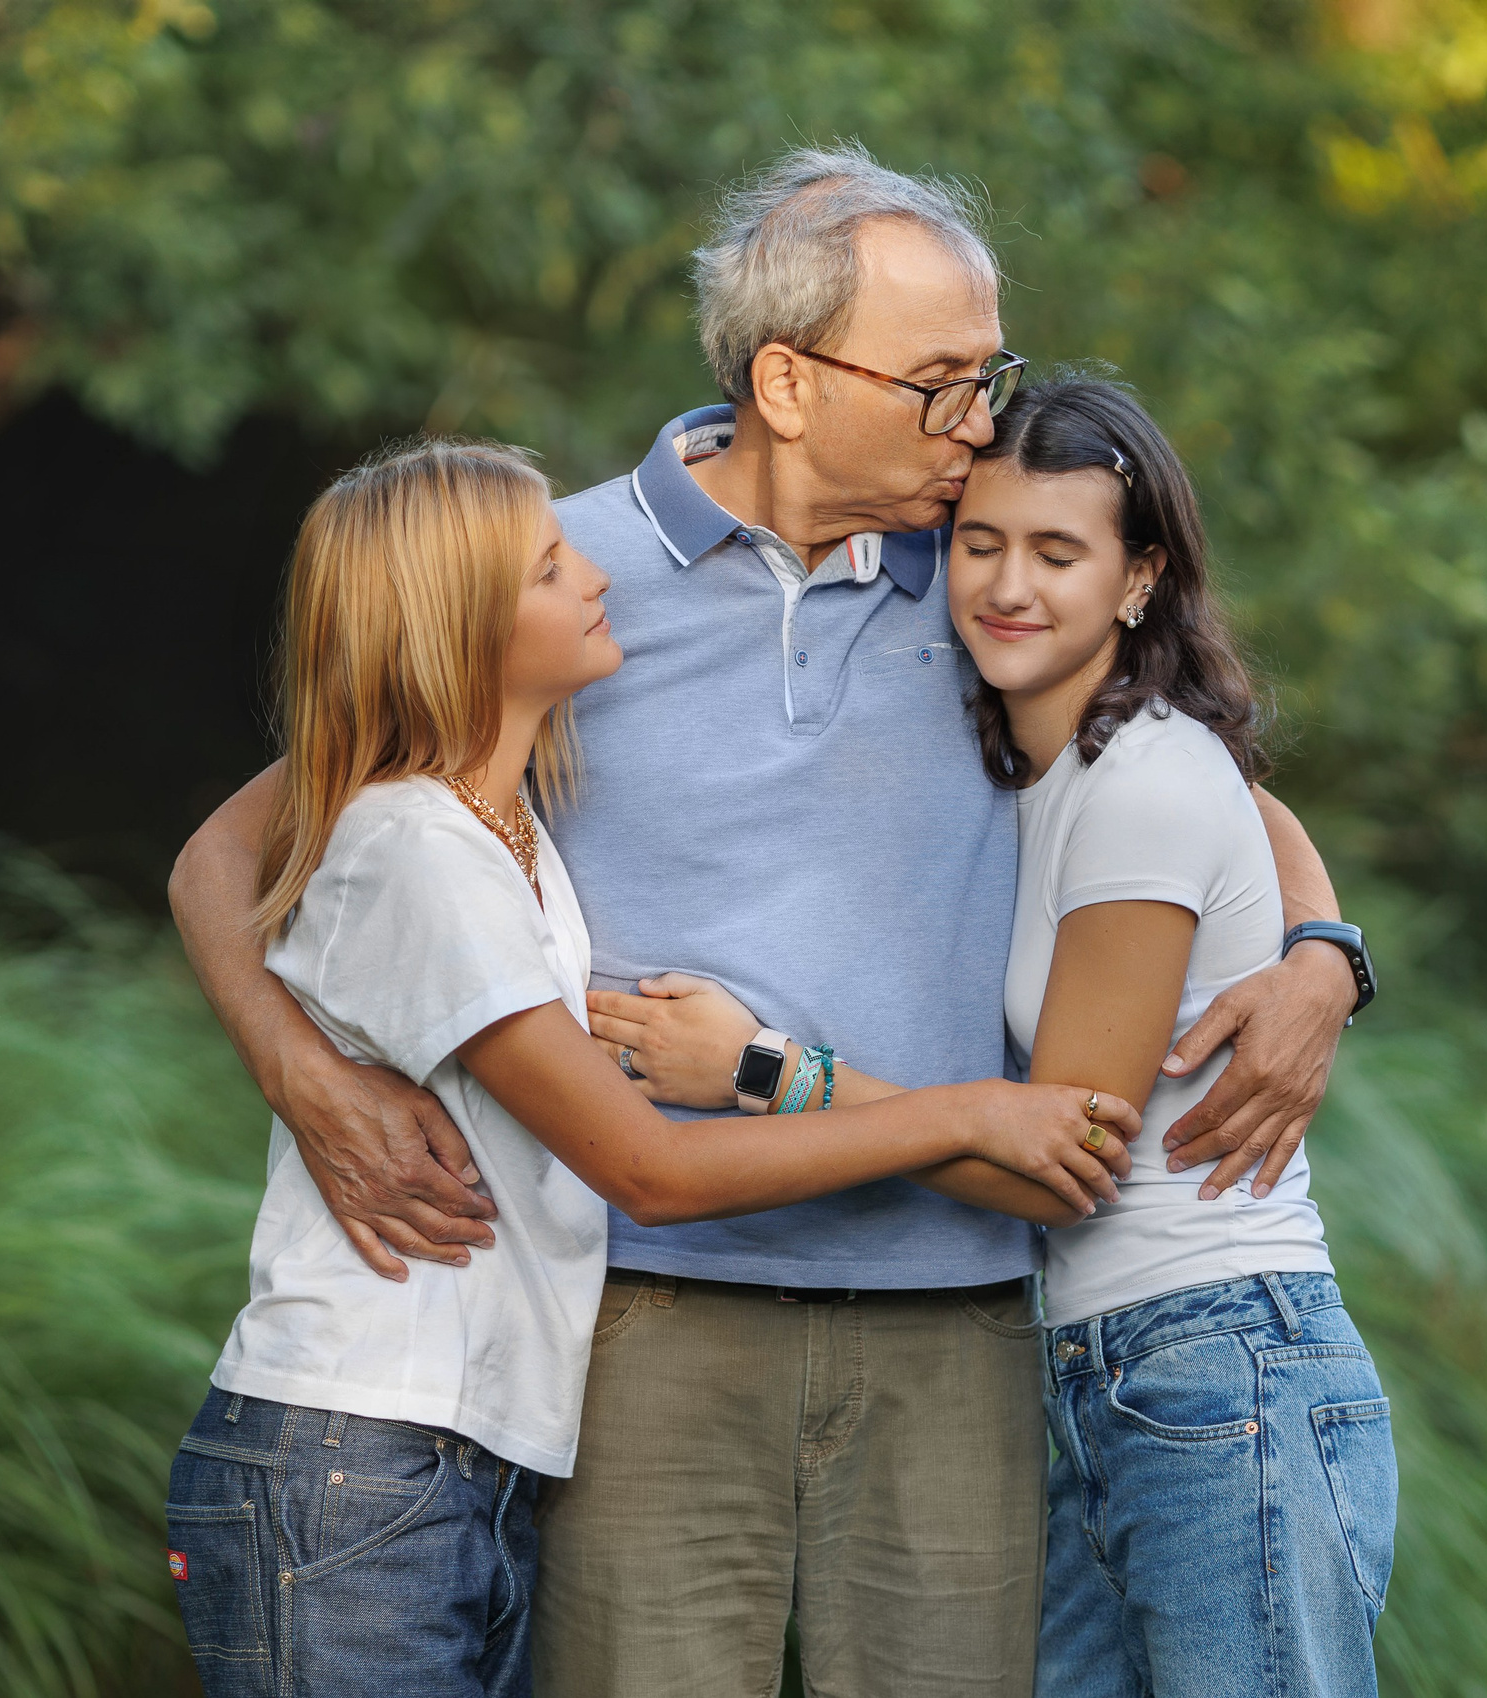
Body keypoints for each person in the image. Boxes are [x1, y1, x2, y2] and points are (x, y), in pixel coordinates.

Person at [168, 145, 1371, 1698]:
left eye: (987, 376)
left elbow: (1194, 767)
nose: (985, 423)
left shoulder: (986, 569)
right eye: (942, 381)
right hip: (652, 1328)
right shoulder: (557, 580)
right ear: (792, 384)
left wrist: (1323, 953)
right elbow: (229, 847)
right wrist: (302, 1070)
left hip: (956, 1321)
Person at [162, 437, 1141, 1698]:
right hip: (361, 1448)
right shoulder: (418, 845)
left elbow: (1171, 738)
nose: (596, 575)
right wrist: (964, 1109)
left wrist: (1319, 944)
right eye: (552, 569)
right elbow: (648, 1168)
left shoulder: (504, 832)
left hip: (464, 1456)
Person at [607, 377, 1396, 1697]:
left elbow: (1059, 1160)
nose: (1006, 585)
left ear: (1140, 576)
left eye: (1058, 553)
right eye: (981, 543)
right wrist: (1326, 942)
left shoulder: (1138, 776)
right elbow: (1250, 812)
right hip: (1109, 1369)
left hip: (1216, 1365)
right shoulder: (1058, 751)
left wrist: (767, 1070)